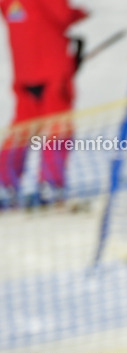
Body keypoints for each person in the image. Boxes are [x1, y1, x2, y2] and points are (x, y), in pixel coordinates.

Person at [0, 0, 88, 208]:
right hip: (53, 73)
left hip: (25, 73)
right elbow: (62, 15)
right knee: (58, 128)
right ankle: (51, 183)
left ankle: (5, 183)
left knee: (21, 130)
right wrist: (81, 13)